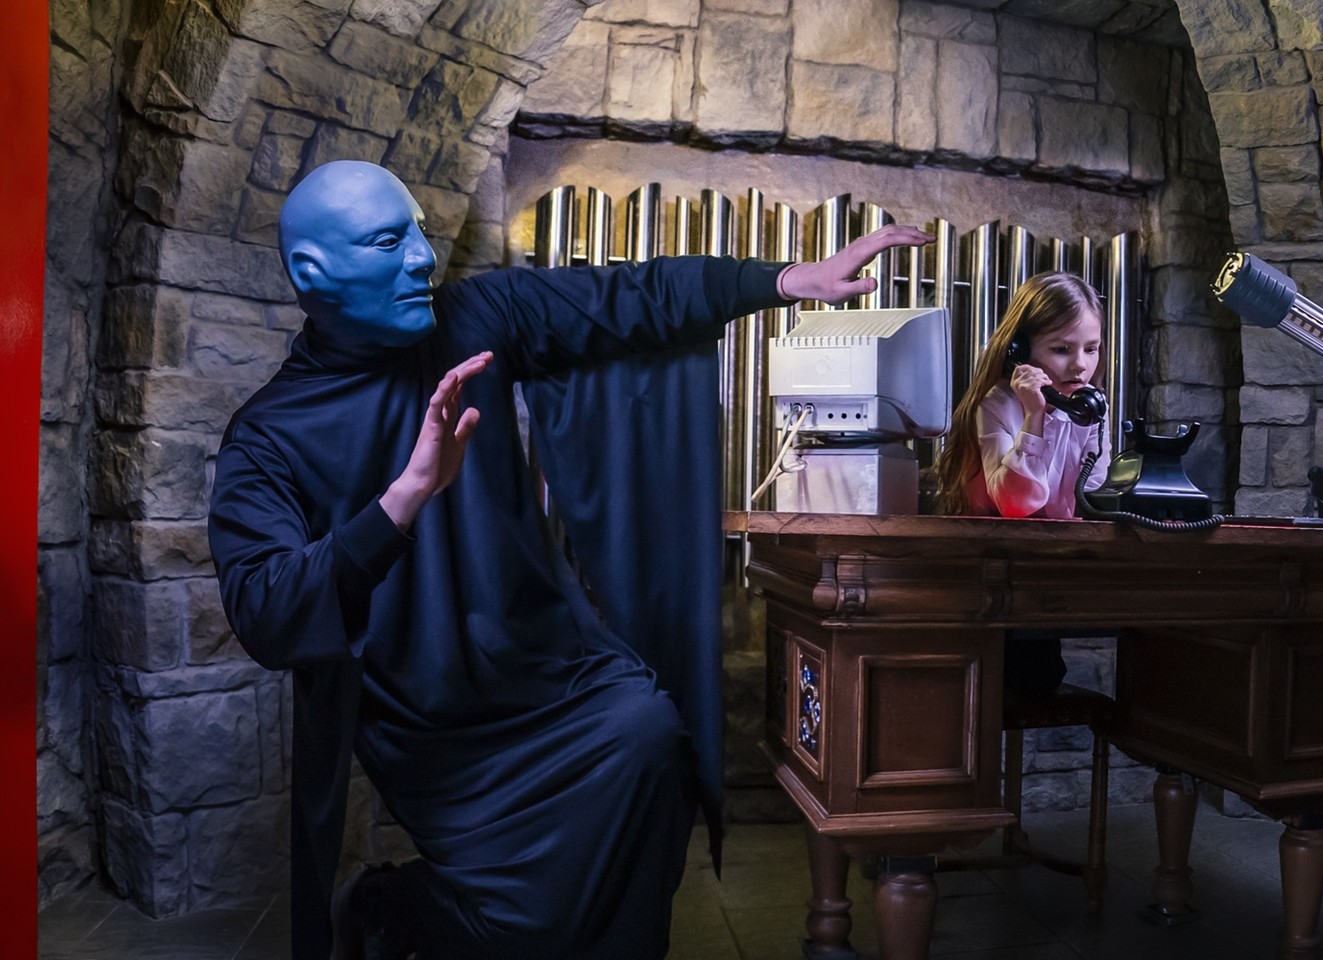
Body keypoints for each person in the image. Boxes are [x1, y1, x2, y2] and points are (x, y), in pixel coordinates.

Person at [207, 160, 928, 960]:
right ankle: (390, 907)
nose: (422, 256)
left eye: (419, 231)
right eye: (388, 241)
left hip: (552, 672)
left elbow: (630, 298)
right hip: (427, 723)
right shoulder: (267, 436)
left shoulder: (474, 317)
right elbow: (266, 611)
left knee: (650, 741)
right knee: (529, 921)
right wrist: (403, 499)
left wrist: (787, 280)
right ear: (313, 272)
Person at [933, 271, 1110, 695]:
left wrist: (1076, 420)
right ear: (1019, 352)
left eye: (1091, 349)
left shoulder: (1083, 407)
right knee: (1009, 685)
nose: (1080, 365)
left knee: (1043, 677)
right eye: (1061, 349)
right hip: (986, 581)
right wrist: (1035, 417)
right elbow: (1018, 503)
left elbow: (1090, 490)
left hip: (1039, 573)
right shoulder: (997, 405)